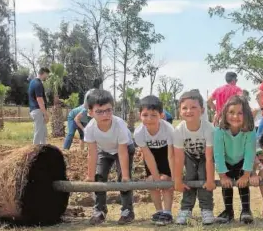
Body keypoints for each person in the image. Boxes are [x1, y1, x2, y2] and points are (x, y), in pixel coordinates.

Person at [84, 89, 135, 225]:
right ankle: (99, 210)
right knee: (99, 176)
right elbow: (92, 153)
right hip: (104, 150)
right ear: (90, 113)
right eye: (99, 112)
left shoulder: (119, 125)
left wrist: (125, 176)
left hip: (124, 149)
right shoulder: (90, 128)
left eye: (108, 110)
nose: (105, 115)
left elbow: (122, 151)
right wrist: (90, 176)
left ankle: (127, 211)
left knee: (122, 178)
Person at [173, 90, 216, 225]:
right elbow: (179, 158)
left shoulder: (209, 129)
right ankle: (185, 209)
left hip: (205, 157)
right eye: (184, 108)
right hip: (189, 156)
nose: (188, 111)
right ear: (180, 111)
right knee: (190, 177)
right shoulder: (179, 130)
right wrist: (178, 180)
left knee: (204, 176)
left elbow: (209, 158)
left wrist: (210, 180)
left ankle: (206, 209)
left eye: (193, 107)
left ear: (202, 110)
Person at [213, 95, 256, 224]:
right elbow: (218, 154)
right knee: (226, 186)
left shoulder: (250, 131)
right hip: (226, 163)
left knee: (243, 185)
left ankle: (246, 210)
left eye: (240, 113)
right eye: (231, 112)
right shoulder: (219, 131)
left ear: (246, 115)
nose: (235, 116)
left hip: (242, 162)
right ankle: (228, 211)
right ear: (225, 113)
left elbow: (250, 154)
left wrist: (246, 175)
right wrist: (222, 176)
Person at [134, 95, 175, 226]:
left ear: (161, 115)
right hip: (151, 154)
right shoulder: (139, 132)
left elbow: (171, 155)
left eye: (153, 115)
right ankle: (159, 211)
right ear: (139, 115)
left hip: (166, 153)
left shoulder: (168, 129)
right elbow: (148, 156)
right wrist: (156, 178)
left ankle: (167, 212)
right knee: (152, 181)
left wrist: (174, 177)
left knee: (166, 181)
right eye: (145, 115)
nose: (149, 119)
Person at [28, 67, 50, 145]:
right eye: (47, 75)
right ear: (43, 73)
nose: (47, 77)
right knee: (38, 132)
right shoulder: (38, 84)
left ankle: (43, 149)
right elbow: (39, 100)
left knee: (42, 132)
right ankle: (34, 152)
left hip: (35, 110)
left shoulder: (33, 82)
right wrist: (45, 113)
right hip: (38, 111)